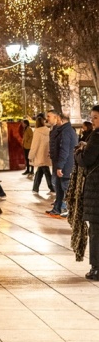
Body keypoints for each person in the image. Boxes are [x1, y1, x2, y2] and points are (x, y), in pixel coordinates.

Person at [75, 104, 99, 281]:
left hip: (95, 190)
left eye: (96, 117)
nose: (93, 121)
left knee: (96, 231)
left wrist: (78, 153)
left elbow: (86, 159)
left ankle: (96, 268)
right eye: (91, 117)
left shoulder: (97, 136)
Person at [46, 108, 78, 217]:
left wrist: (60, 166)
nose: (57, 121)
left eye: (58, 119)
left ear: (62, 120)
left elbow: (64, 150)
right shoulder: (63, 130)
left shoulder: (66, 132)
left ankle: (71, 211)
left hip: (66, 166)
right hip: (61, 164)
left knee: (66, 189)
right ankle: (57, 209)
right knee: (59, 190)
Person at [29, 114, 54, 197]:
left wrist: (31, 156)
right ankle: (35, 188)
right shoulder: (48, 130)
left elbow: (34, 144)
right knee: (40, 171)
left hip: (40, 154)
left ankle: (52, 188)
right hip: (46, 153)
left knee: (45, 171)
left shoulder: (37, 131)